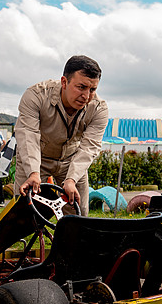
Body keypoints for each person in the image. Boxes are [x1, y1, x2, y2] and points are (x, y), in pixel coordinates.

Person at [15, 55, 108, 215]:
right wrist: (33, 172)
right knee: (22, 212)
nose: (86, 96)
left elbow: (89, 148)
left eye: (92, 90)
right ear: (64, 82)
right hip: (38, 157)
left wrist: (71, 179)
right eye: (81, 87)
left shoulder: (99, 109)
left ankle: (71, 231)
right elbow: (28, 135)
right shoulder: (36, 96)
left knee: (79, 213)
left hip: (71, 160)